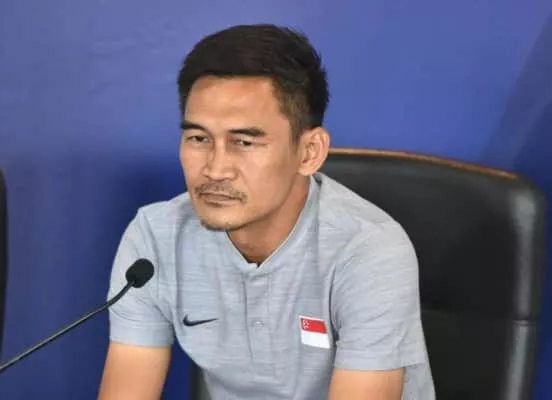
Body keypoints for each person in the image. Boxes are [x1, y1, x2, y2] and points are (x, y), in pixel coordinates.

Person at [97, 23, 435, 400]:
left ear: (309, 153)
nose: (215, 169)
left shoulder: (369, 250)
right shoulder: (154, 237)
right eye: (198, 138)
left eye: (244, 142)